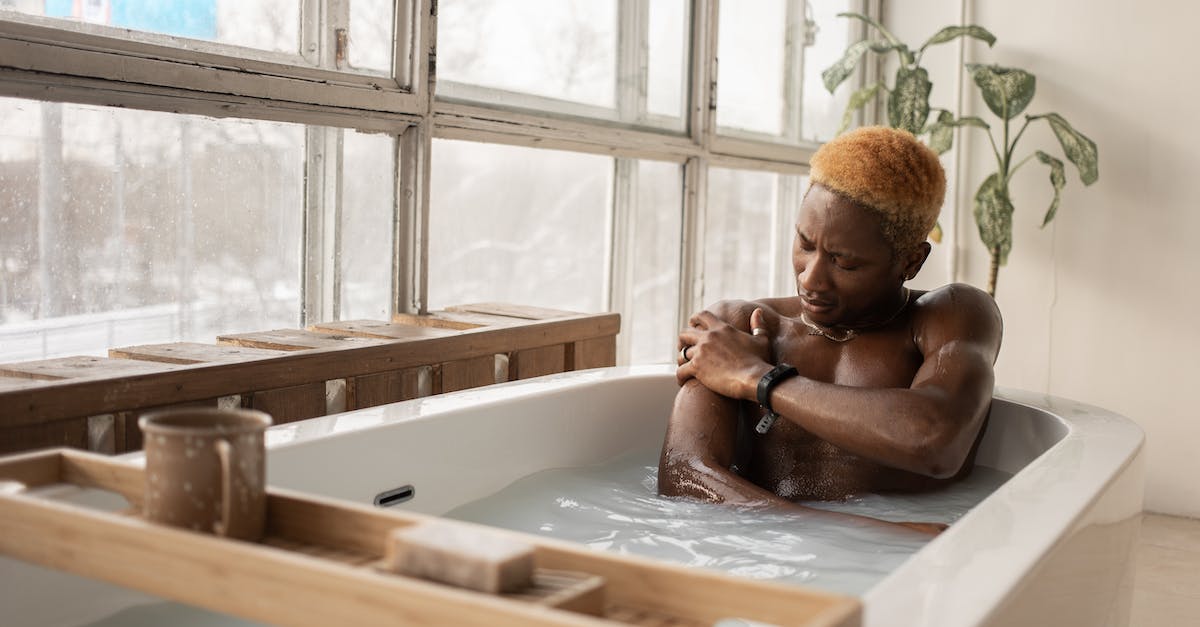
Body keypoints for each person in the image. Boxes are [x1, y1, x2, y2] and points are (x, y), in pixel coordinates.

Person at [658, 126, 1002, 535]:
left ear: (911, 262)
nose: (811, 279)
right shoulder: (735, 327)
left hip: (903, 573)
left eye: (845, 263)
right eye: (805, 244)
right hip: (768, 556)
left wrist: (759, 380)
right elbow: (683, 476)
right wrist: (859, 535)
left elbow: (936, 440)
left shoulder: (950, 315)